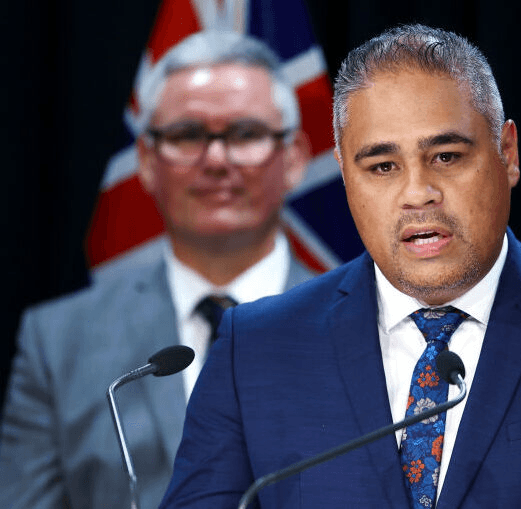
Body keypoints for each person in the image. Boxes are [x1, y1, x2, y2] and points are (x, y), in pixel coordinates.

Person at [160, 25, 521, 508]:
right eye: (382, 166)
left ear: (507, 154)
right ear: (343, 174)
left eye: (446, 157)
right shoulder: (253, 352)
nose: (418, 193)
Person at [0, 30, 315, 509]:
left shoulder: (370, 323)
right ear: (146, 161)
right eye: (188, 135)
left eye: (245, 133)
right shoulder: (56, 341)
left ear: (293, 158)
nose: (215, 160)